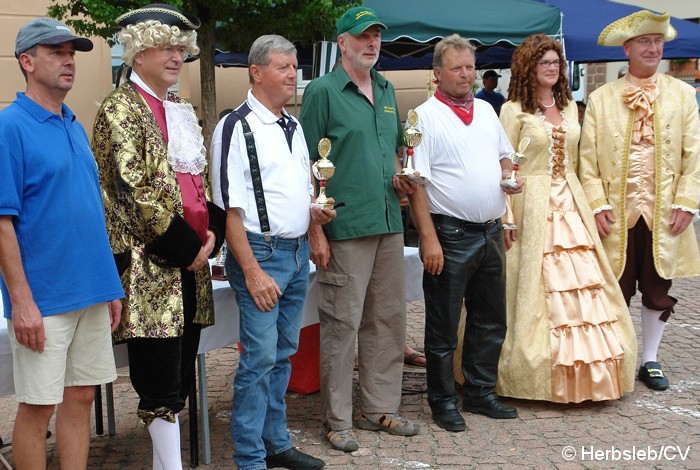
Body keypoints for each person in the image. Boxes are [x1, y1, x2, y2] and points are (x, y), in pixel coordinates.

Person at [92, 5, 226, 468]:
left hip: (189, 262)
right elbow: (132, 193)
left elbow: (196, 184)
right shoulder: (119, 108)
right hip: (150, 267)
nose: (175, 57)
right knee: (159, 382)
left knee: (180, 375)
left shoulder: (180, 108)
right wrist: (189, 248)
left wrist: (212, 235)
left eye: (180, 48)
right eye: (164, 48)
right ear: (138, 53)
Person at [0, 18, 124, 469]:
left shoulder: (73, 124)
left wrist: (109, 285)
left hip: (89, 290)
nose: (68, 60)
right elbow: (2, 222)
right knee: (37, 407)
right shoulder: (9, 127)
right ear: (27, 62)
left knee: (82, 399)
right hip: (44, 298)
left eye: (71, 52)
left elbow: (89, 213)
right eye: (56, 52)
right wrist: (21, 300)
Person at [298, 6, 419, 452]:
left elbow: (393, 153)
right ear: (342, 42)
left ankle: (378, 408)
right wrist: (315, 231)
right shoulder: (323, 92)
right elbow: (306, 163)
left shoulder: (387, 89)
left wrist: (402, 177)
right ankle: (338, 419)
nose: (371, 43)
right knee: (341, 326)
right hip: (344, 225)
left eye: (376, 37)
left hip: (388, 221)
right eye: (362, 36)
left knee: (387, 322)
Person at [210, 34, 333, 470]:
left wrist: (315, 232)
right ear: (256, 72)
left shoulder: (295, 127)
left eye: (294, 66)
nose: (292, 75)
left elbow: (302, 193)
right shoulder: (235, 126)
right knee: (259, 358)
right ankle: (249, 457)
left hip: (297, 253)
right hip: (259, 253)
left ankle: (276, 442)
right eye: (283, 67)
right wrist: (253, 270)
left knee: (282, 354)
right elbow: (229, 210)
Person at [496, 34, 637, 404]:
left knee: (583, 285)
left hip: (569, 200)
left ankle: (589, 373)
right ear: (528, 66)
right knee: (530, 286)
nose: (552, 68)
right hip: (530, 202)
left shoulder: (570, 107)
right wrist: (506, 215)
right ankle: (528, 370)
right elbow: (504, 165)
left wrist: (594, 204)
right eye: (544, 62)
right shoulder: (513, 111)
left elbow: (580, 161)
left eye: (556, 62)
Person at [407, 34, 522, 433]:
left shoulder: (488, 111)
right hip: (450, 234)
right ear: (437, 73)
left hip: (490, 231)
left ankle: (480, 392)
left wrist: (508, 177)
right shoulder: (423, 117)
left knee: (490, 320)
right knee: (442, 326)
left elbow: (506, 155)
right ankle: (441, 401)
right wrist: (429, 239)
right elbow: (415, 183)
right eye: (456, 68)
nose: (465, 75)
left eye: (470, 67)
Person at [580, 11, 700, 391]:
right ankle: (616, 353)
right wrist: (597, 204)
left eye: (658, 42)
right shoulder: (601, 98)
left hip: (664, 211)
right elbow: (586, 161)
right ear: (627, 48)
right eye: (644, 42)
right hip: (616, 212)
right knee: (613, 285)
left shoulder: (683, 94)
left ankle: (649, 359)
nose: (653, 48)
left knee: (657, 286)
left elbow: (694, 153)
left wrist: (687, 201)